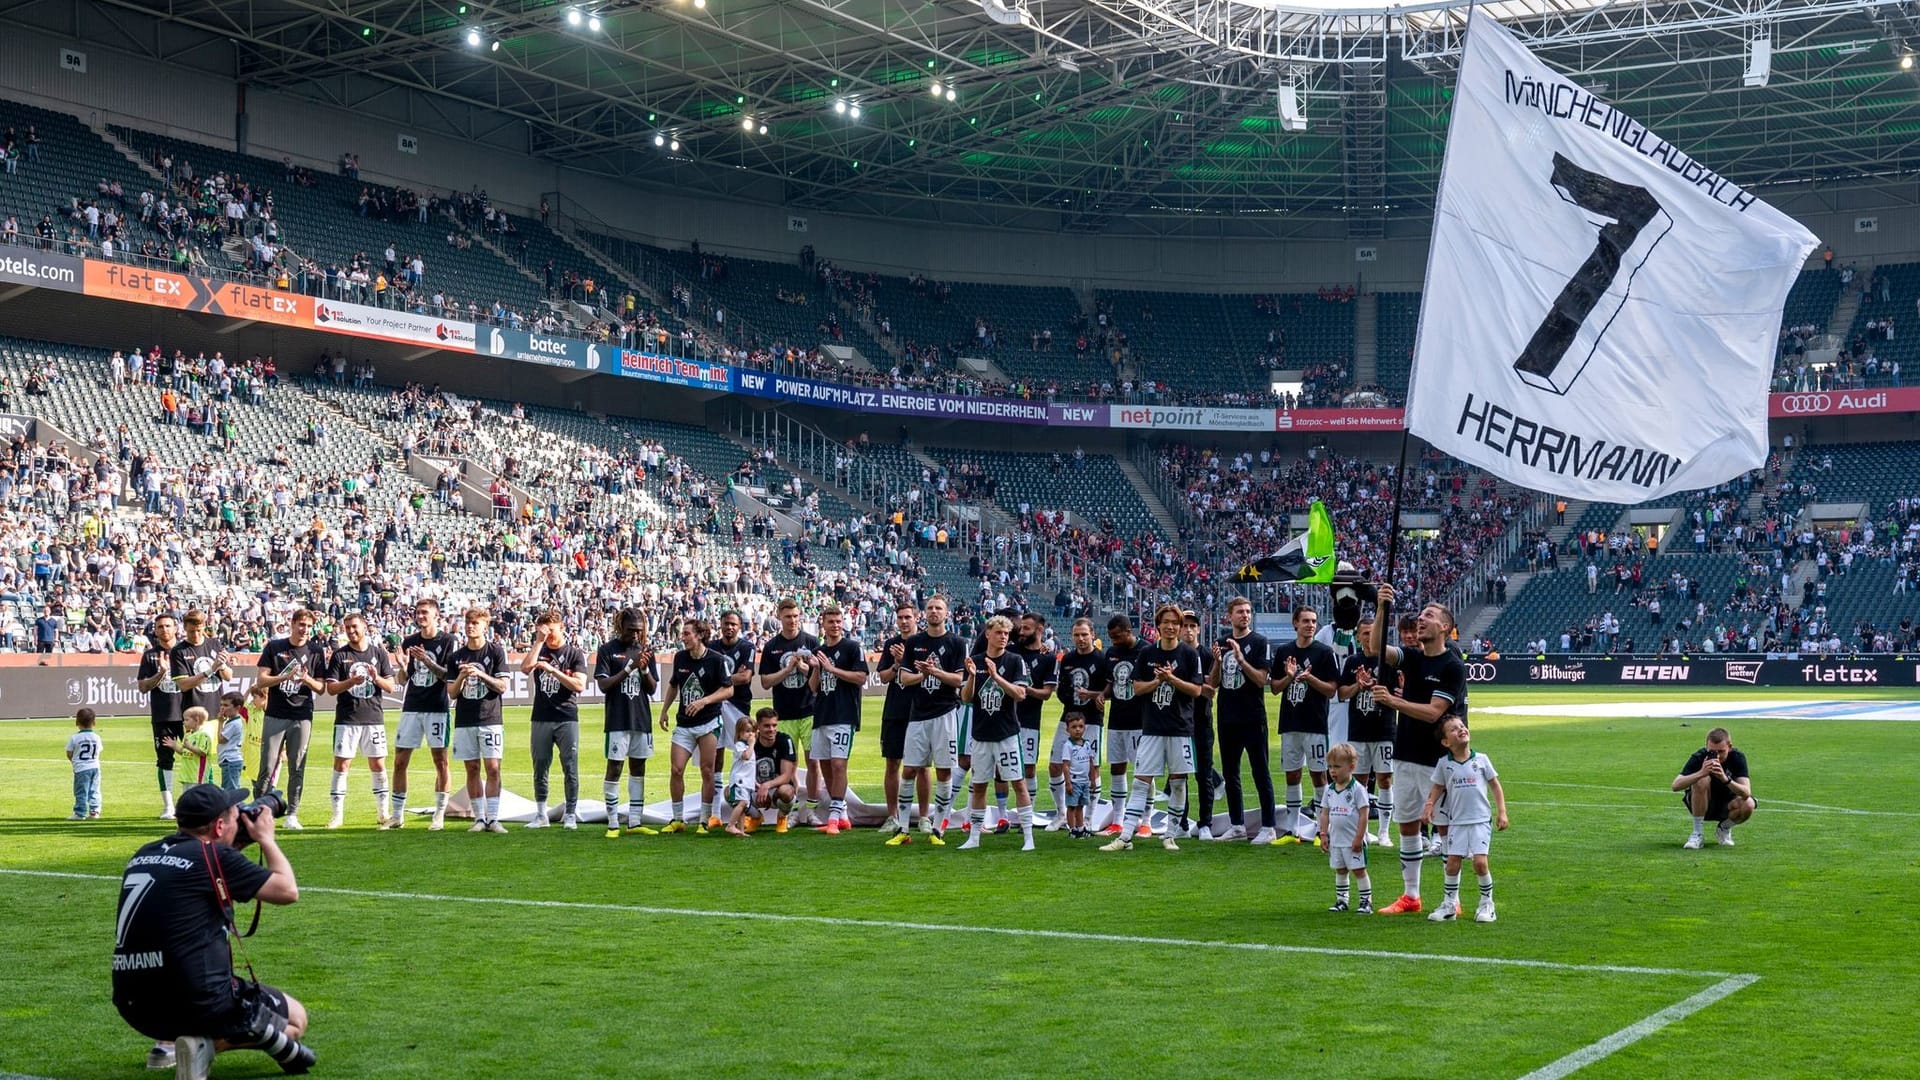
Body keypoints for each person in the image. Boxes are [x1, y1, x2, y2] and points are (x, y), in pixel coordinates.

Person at [112, 784, 311, 1080]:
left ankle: (167, 1045)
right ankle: (204, 1045)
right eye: (234, 816)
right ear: (219, 826)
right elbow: (287, 891)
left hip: (134, 1004)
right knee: (296, 1020)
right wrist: (267, 839)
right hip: (198, 1001)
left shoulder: (145, 852)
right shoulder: (215, 858)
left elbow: (191, 879)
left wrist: (229, 847)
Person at [1365, 585, 1467, 916]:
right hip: (1406, 752)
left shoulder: (1451, 665)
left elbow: (1435, 712)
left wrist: (1392, 701)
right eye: (1421, 615)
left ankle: (1452, 898)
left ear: (1445, 628)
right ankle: (1411, 896)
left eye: (1430, 616)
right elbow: (1376, 646)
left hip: (1438, 760)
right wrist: (1382, 608)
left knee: (1445, 827)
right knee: (1408, 824)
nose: (1421, 620)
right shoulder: (1413, 657)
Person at [1102, 605, 1202, 853]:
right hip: (1152, 728)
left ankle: (1170, 835)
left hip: (1180, 729)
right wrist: (1158, 680)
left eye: (1175, 623)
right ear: (1158, 625)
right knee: (1141, 782)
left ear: (1179, 627)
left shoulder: (1189, 655)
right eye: (1166, 622)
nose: (1171, 626)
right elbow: (1136, 689)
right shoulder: (1147, 653)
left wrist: (1173, 680)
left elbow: (1197, 691)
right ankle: (1125, 837)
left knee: (1178, 783)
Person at [958, 615, 1034, 851]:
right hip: (981, 734)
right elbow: (966, 698)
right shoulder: (976, 661)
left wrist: (996, 677)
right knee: (979, 785)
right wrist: (972, 676)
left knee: (1018, 784)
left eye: (1006, 634)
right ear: (988, 634)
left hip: (1007, 734)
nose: (1003, 637)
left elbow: (1020, 694)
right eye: (999, 633)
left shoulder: (1014, 661)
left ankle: (1028, 837)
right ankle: (974, 836)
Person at [896, 596, 967, 842]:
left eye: (938, 608)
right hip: (918, 714)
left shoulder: (957, 642)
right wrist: (923, 676)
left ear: (946, 613)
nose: (934, 612)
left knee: (944, 772)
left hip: (946, 713)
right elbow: (905, 679)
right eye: (930, 608)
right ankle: (903, 829)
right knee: (909, 770)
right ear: (924, 614)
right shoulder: (915, 642)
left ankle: (938, 829)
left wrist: (933, 671)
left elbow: (959, 680)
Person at [1423, 717, 1507, 922]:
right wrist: (1429, 805)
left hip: (1479, 820)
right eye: (1453, 729)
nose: (1461, 729)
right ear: (1445, 742)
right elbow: (1437, 786)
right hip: (1457, 822)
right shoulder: (1444, 764)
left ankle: (1487, 904)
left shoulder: (1482, 760)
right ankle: (1449, 904)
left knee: (1479, 863)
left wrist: (1502, 811)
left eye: (1461, 726)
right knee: (1452, 863)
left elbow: (1495, 785)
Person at [1269, 605, 1340, 844]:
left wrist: (1309, 677)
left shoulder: (1324, 652)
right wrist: (1289, 676)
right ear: (1295, 624)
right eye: (1306, 621)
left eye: (1314, 621)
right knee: (1292, 775)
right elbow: (1275, 689)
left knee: (1319, 776)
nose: (1311, 625)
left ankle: (1323, 831)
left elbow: (1332, 690)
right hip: (1290, 723)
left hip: (1315, 724)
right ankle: (1292, 830)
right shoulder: (1284, 652)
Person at [254, 610, 329, 829]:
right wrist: (284, 677)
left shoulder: (316, 650)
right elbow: (261, 681)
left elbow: (321, 688)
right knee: (267, 766)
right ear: (293, 623)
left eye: (308, 626)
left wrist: (305, 678)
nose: (305, 629)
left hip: (302, 716)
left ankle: (292, 814)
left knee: (297, 766)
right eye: (301, 624)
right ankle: (260, 812)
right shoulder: (274, 647)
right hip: (275, 714)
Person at [322, 612, 397, 829]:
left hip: (373, 718)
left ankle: (383, 813)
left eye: (355, 626)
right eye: (347, 628)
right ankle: (337, 815)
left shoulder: (379, 653)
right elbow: (331, 688)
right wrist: (351, 681)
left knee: (378, 763)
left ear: (364, 627)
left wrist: (375, 678)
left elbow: (391, 686)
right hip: (347, 718)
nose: (351, 631)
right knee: (342, 763)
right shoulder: (339, 655)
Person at [1207, 596, 1273, 842]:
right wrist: (1217, 662)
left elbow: (1260, 680)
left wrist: (1241, 659)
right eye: (1239, 612)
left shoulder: (1259, 642)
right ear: (1230, 616)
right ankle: (1237, 825)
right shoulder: (1221, 642)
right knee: (1230, 773)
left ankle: (1268, 826)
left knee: (1260, 772)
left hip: (1253, 717)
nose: (1245, 615)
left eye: (1247, 611)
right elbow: (1212, 684)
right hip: (1227, 716)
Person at [391, 598, 460, 830]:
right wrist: (401, 666)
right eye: (418, 613)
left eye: (425, 613)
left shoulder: (448, 640)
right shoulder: (409, 641)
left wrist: (426, 660)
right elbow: (403, 680)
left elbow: (447, 676)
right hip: (411, 707)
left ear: (436, 615)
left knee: (440, 761)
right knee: (400, 761)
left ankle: (439, 813)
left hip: (437, 708)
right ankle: (397, 815)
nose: (420, 616)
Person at [1338, 611, 1405, 847]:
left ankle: (1385, 831)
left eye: (1372, 633)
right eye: (1365, 634)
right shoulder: (1353, 662)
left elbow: (1399, 694)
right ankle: (1363, 830)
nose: (1368, 637)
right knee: (1360, 780)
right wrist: (1359, 684)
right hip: (1358, 730)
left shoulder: (1388, 662)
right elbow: (1341, 694)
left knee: (1385, 779)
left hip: (1384, 729)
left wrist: (1376, 687)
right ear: (1358, 636)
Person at [664, 618, 735, 833]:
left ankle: (704, 819)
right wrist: (664, 710)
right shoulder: (680, 658)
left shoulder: (716, 660)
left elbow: (728, 690)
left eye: (687, 634)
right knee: (676, 769)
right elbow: (673, 685)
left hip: (708, 722)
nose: (683, 637)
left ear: (700, 635)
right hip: (684, 724)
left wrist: (704, 701)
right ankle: (677, 819)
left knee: (707, 770)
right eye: (683, 634)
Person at [522, 610, 589, 830]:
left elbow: (579, 685)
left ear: (561, 627)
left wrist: (553, 670)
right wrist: (538, 643)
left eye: (550, 630)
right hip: (541, 716)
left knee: (570, 766)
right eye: (543, 630)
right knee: (540, 765)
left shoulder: (574, 654)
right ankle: (541, 814)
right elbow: (525, 668)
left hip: (566, 716)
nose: (547, 634)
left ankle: (570, 813)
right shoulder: (539, 649)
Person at [756, 598, 821, 824]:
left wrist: (804, 668)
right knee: (790, 765)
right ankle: (792, 809)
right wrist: (788, 669)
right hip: (783, 713)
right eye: (787, 617)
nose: (792, 621)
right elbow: (765, 681)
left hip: (810, 710)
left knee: (813, 762)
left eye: (795, 616)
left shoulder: (812, 642)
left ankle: (811, 808)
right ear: (779, 617)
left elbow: (819, 677)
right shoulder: (772, 646)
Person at [596, 608, 659, 837]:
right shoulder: (607, 650)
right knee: (615, 767)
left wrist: (642, 669)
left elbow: (652, 688)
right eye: (631, 630)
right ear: (620, 627)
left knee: (638, 768)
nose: (635, 635)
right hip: (617, 720)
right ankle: (613, 823)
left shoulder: (645, 651)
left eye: (639, 631)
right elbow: (604, 685)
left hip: (641, 719)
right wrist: (628, 668)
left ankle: (634, 822)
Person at [138, 613, 208, 819]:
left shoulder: (187, 650)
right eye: (160, 627)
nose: (164, 630)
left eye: (168, 625)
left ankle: (197, 802)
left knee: (196, 757)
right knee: (164, 759)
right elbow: (143, 687)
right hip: (164, 715)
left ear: (176, 628)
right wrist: (160, 673)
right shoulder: (150, 655)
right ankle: (169, 806)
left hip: (189, 713)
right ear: (155, 630)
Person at [447, 607, 510, 833]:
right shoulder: (456, 657)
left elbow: (503, 686)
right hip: (465, 719)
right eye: (468, 623)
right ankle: (480, 818)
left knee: (492, 768)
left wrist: (480, 674)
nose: (470, 626)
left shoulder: (495, 652)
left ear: (485, 626)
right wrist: (463, 676)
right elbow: (452, 693)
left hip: (490, 717)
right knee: (471, 768)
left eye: (475, 623)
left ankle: (493, 818)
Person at [807, 605, 867, 834]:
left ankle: (832, 818)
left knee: (839, 764)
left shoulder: (852, 648)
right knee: (825, 765)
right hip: (822, 714)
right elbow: (814, 688)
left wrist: (832, 669)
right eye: (830, 621)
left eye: (838, 621)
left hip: (844, 714)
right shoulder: (819, 651)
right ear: (823, 624)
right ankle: (841, 815)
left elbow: (861, 677)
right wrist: (816, 669)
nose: (835, 625)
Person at [1047, 617, 1109, 832]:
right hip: (1068, 718)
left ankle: (1089, 819)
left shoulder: (1102, 659)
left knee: (1092, 768)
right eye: (1076, 635)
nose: (1081, 639)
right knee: (1055, 765)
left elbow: (1108, 692)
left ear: (1092, 634)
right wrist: (1070, 701)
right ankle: (1061, 814)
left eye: (1084, 634)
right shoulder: (1068, 659)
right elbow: (1062, 688)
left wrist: (1092, 696)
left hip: (1092, 720)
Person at [877, 603, 932, 843]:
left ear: (916, 618)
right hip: (895, 710)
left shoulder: (923, 643)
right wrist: (898, 663)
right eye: (900, 617)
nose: (904, 621)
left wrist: (908, 661)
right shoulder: (891, 644)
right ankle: (893, 816)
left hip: (919, 710)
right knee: (892, 763)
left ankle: (923, 816)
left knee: (921, 766)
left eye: (908, 617)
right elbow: (883, 676)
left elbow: (926, 676)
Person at [1100, 614, 1147, 836]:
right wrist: (1102, 695)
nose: (1113, 641)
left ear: (1128, 631)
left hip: (1140, 720)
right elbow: (1111, 684)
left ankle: (1145, 821)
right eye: (1111, 637)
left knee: (1143, 770)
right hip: (1116, 719)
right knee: (1117, 767)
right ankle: (1118, 820)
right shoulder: (1111, 653)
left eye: (1117, 636)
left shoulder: (1145, 651)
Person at [710, 611, 758, 829]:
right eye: (726, 623)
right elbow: (732, 677)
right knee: (715, 756)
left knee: (744, 754)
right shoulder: (711, 646)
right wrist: (731, 678)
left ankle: (745, 807)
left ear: (739, 626)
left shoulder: (746, 647)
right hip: (715, 705)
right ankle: (715, 812)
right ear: (720, 625)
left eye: (733, 624)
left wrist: (720, 678)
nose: (729, 627)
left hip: (739, 706)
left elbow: (746, 677)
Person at [1011, 611, 1059, 825]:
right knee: (1001, 769)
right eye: (1021, 628)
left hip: (1030, 721)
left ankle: (1027, 817)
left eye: (1027, 628)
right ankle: (1004, 815)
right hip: (1008, 719)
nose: (1022, 631)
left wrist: (1024, 689)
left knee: (1029, 767)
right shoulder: (1011, 651)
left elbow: (1047, 693)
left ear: (1040, 630)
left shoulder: (1048, 658)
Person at [1673, 727, 1754, 848]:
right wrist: (1701, 772)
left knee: (1749, 804)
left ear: (1729, 747)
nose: (1717, 756)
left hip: (1727, 804)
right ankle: (1697, 834)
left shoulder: (1737, 757)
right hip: (1702, 803)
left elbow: (1746, 792)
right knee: (1702, 780)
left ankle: (1724, 828)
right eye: (1712, 752)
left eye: (1721, 751)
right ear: (1706, 747)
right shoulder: (1699, 757)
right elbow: (1675, 785)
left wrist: (1725, 778)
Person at [1318, 743, 1374, 913]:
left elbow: (1364, 815)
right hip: (1336, 840)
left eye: (1337, 766)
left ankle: (1366, 902)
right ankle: (1342, 900)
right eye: (1330, 767)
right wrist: (1323, 834)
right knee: (1340, 869)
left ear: (1351, 767)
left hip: (1353, 840)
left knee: (1358, 870)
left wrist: (1359, 837)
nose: (1332, 771)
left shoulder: (1357, 790)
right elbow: (1325, 813)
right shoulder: (1329, 790)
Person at [1179, 611, 1218, 839]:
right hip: (1179, 723)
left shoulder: (1206, 654)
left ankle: (1205, 823)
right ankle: (1181, 822)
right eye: (1185, 625)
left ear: (1199, 629)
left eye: (1193, 626)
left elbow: (1212, 688)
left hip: (1202, 721)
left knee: (1203, 775)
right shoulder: (1175, 654)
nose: (1189, 630)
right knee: (1179, 775)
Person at [746, 707, 799, 832]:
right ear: (758, 725)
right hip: (756, 789)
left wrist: (766, 786)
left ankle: (782, 817)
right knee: (729, 793)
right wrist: (757, 785)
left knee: (787, 791)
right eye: (767, 726)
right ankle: (756, 817)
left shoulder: (785, 740)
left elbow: (786, 776)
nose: (771, 729)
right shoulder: (749, 741)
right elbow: (741, 771)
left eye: (774, 725)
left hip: (777, 791)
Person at [721, 717, 759, 836]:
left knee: (742, 807)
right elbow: (746, 757)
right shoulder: (740, 745)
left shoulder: (748, 747)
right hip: (739, 781)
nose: (750, 734)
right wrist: (752, 744)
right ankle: (730, 825)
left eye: (752, 731)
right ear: (739, 733)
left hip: (747, 782)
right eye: (747, 731)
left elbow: (750, 768)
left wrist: (755, 782)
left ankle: (741, 830)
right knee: (742, 802)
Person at [1061, 713, 1096, 838]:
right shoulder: (1068, 746)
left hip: (1084, 781)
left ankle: (1081, 828)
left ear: (1084, 728)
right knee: (1072, 807)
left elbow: (1090, 762)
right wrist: (1068, 782)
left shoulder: (1086, 744)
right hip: (1074, 782)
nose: (1077, 729)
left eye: (1080, 726)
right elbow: (1065, 765)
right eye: (1074, 727)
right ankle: (1072, 829)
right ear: (1067, 729)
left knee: (1081, 806)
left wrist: (1092, 779)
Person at [67, 708, 103, 820]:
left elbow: (69, 753)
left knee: (81, 791)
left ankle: (80, 813)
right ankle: (94, 811)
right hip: (95, 767)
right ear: (94, 723)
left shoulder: (75, 738)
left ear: (77, 722)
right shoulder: (96, 737)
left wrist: (74, 761)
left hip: (81, 769)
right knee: (94, 789)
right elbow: (98, 751)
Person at [216, 693, 247, 792]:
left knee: (231, 791)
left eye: (226, 705)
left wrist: (220, 722)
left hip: (230, 760)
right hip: (229, 761)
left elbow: (221, 739)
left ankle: (235, 807)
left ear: (237, 707)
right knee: (227, 789)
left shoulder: (234, 724)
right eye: (221, 705)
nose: (222, 708)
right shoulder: (231, 721)